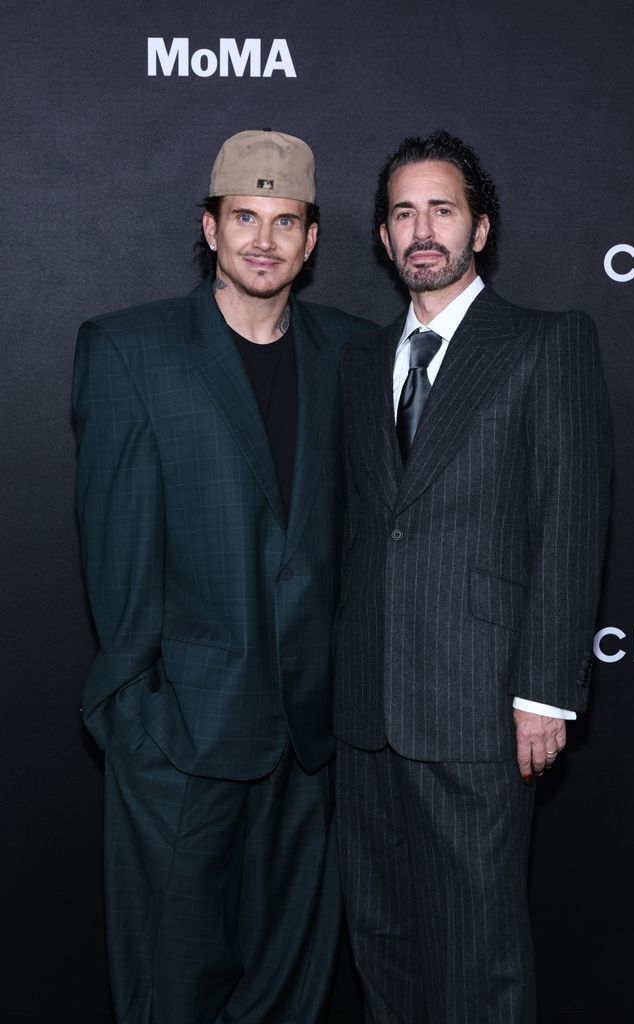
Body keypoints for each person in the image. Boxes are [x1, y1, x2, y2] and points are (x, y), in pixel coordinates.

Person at [73, 128, 375, 1024]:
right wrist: (140, 722)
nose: (263, 240)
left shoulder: (355, 352)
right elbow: (115, 557)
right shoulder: (131, 349)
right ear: (210, 228)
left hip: (312, 748)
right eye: (244, 217)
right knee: (170, 991)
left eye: (285, 223)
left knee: (292, 992)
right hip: (181, 740)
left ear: (311, 241)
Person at [334, 130, 611, 1023]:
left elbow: (570, 522)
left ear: (479, 228)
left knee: (479, 959)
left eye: (442, 211)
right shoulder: (360, 362)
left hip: (480, 710)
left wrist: (545, 691)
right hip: (366, 715)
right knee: (384, 949)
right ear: (383, 237)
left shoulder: (545, 343)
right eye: (403, 213)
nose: (423, 230)